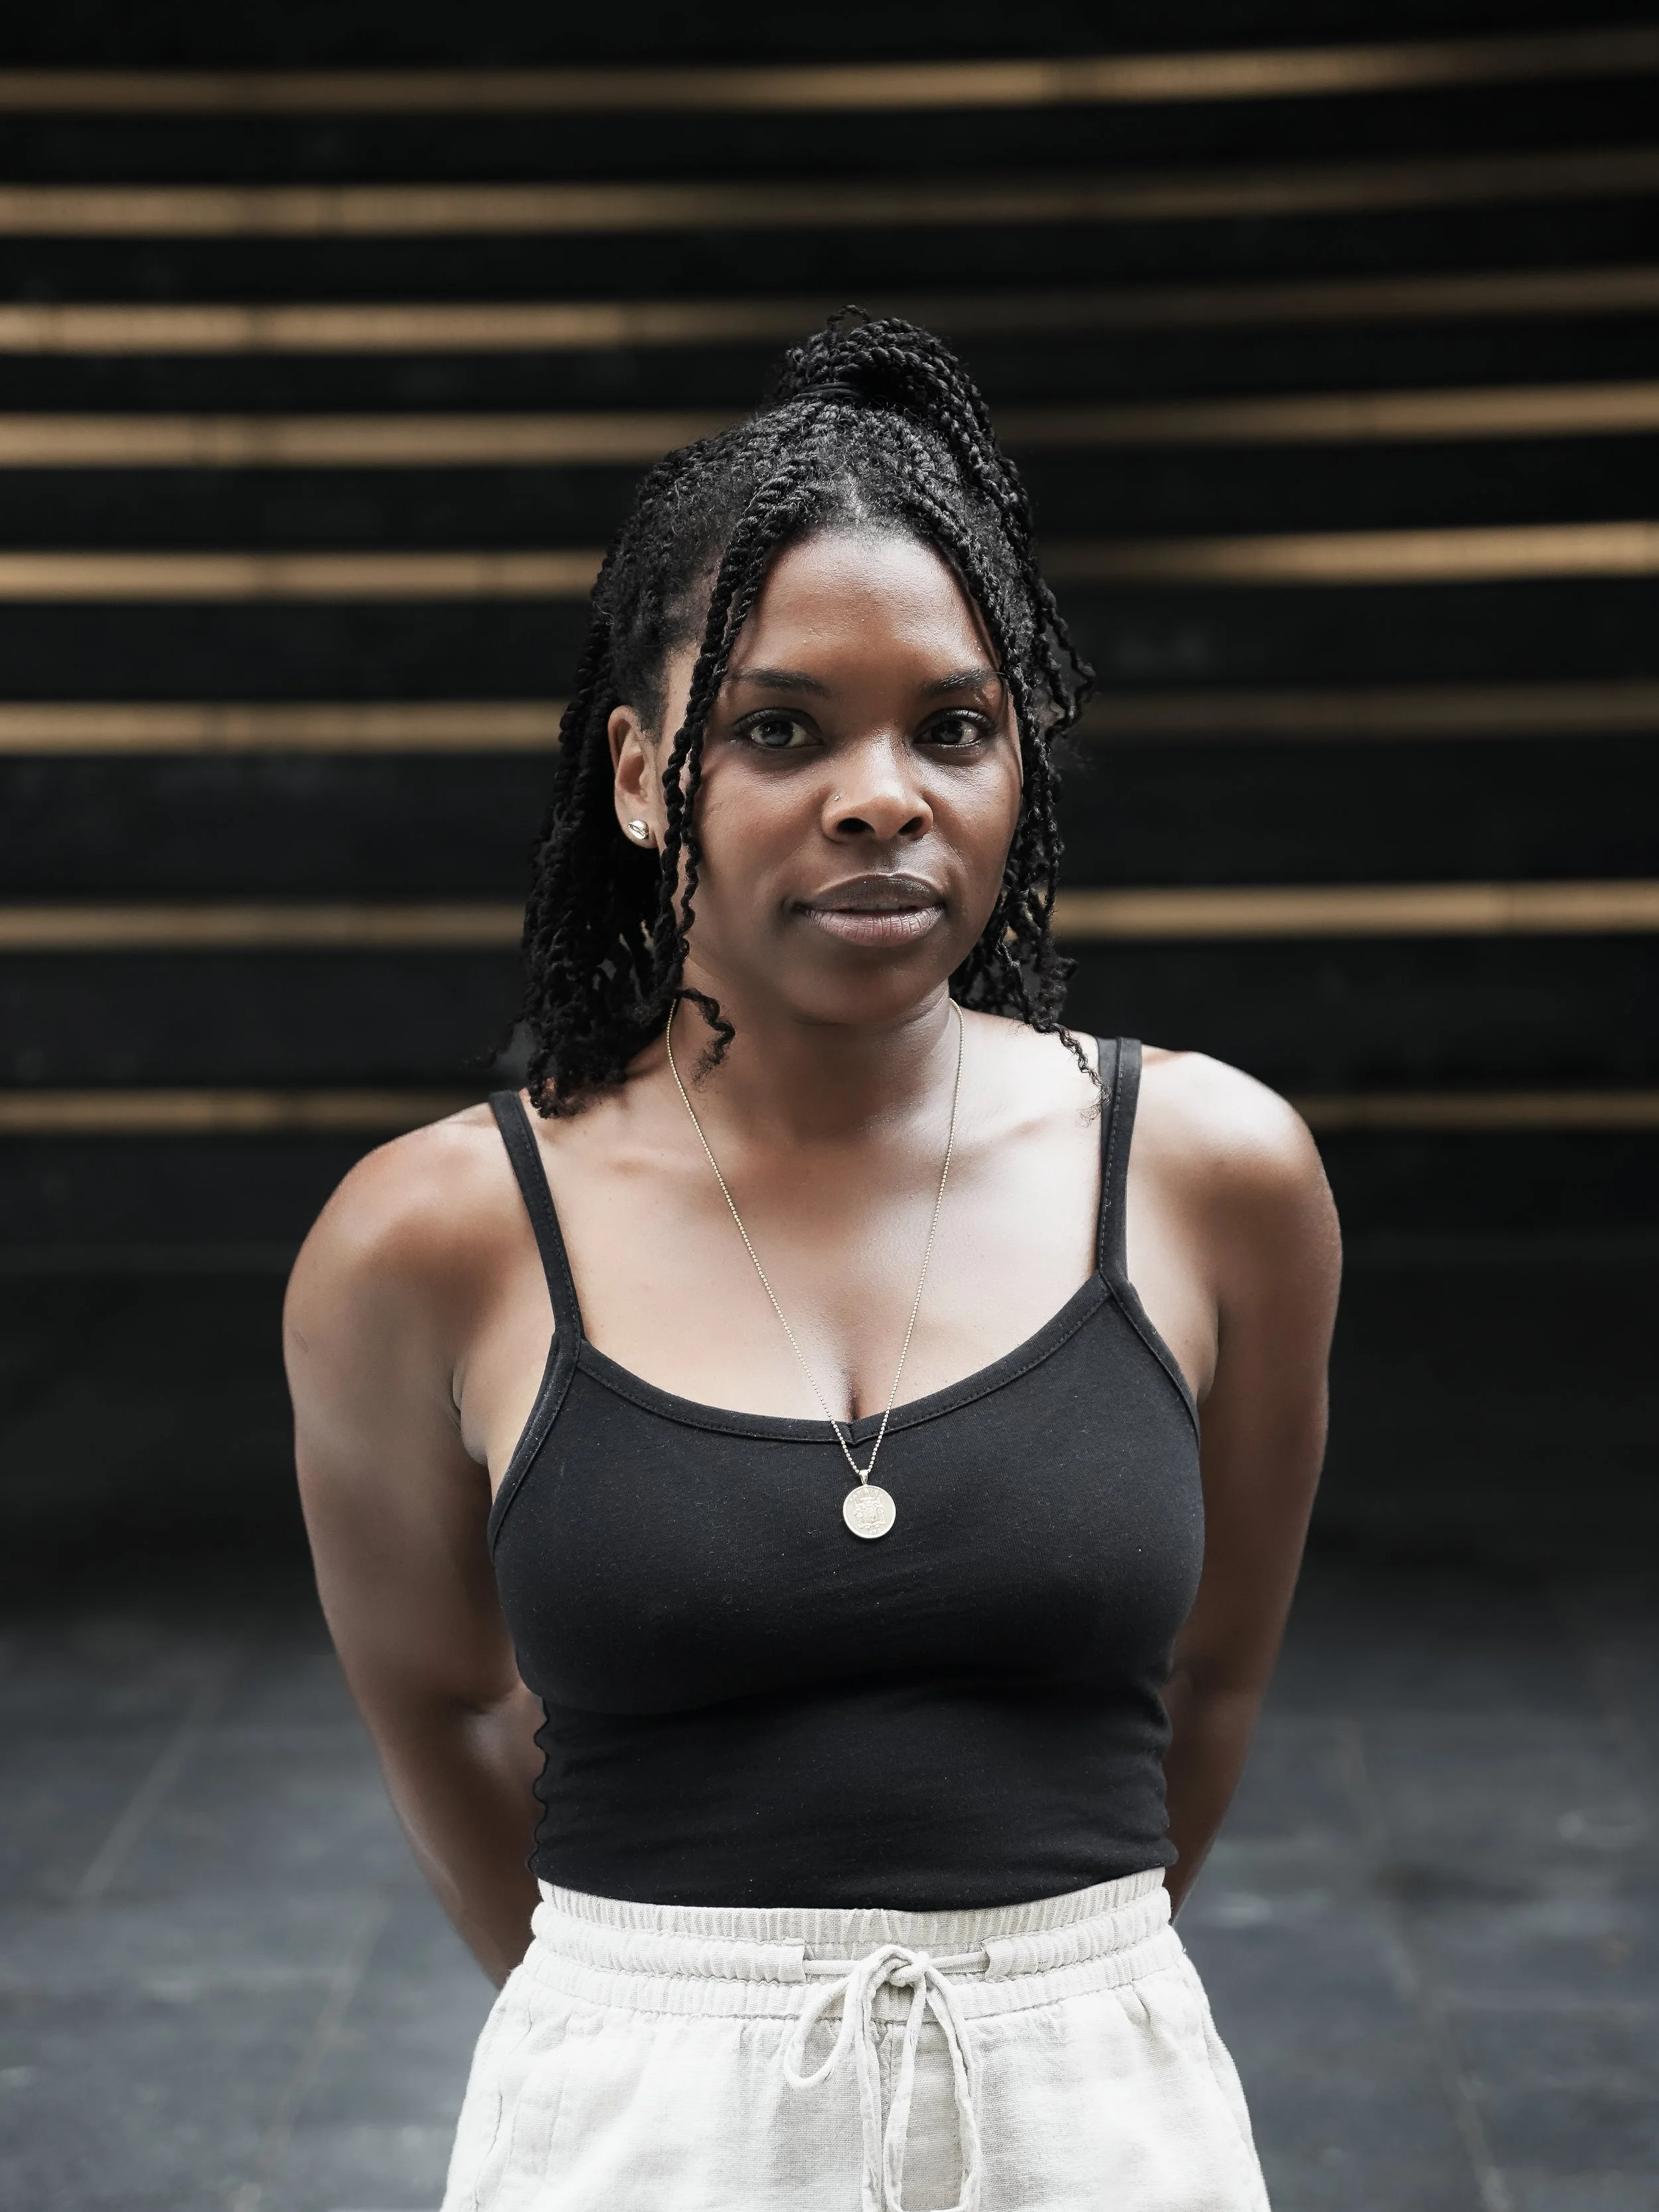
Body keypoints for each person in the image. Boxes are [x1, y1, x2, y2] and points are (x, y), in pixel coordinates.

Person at [285, 315, 1339, 2212]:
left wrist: (1032, 2009)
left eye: (952, 725)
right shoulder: (425, 1235)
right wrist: (654, 2026)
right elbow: (439, 1706)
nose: (880, 794)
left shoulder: (1208, 1174)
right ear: (634, 775)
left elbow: (1215, 1683)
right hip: (636, 2130)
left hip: (1098, 2115)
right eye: (779, 727)